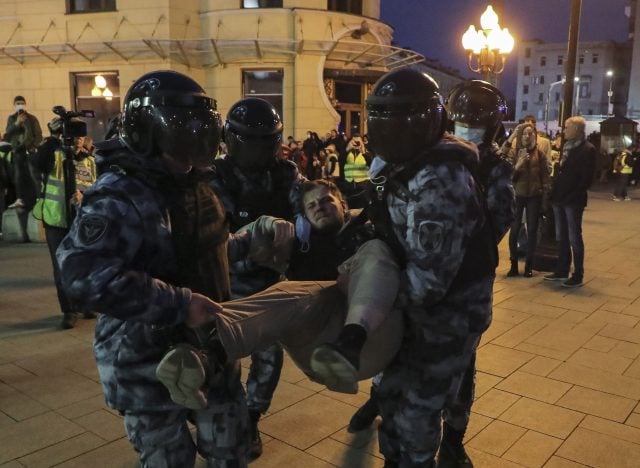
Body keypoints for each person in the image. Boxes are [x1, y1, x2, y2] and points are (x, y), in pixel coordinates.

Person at [57, 70, 252, 467]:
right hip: (144, 363)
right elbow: (81, 274)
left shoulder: (197, 183)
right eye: (181, 136)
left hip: (210, 351)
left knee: (231, 451)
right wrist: (178, 304)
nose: (191, 148)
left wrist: (251, 246)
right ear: (148, 132)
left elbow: (201, 253)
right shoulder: (118, 194)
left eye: (200, 135)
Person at [363, 66, 497, 467]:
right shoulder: (399, 166)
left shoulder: (440, 178)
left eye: (398, 118)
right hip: (408, 310)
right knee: (390, 394)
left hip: (447, 316)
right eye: (381, 116)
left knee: (419, 407)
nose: (389, 129)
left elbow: (427, 284)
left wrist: (361, 298)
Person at [209, 97, 306, 458]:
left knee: (269, 360)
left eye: (272, 140)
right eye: (258, 141)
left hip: (269, 286)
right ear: (232, 140)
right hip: (224, 287)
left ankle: (251, 417)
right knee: (221, 358)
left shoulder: (285, 173)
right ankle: (218, 418)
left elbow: (305, 208)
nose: (268, 149)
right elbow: (215, 239)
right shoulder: (215, 176)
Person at [32, 118, 97, 329]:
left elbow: (99, 190)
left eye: (80, 137)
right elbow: (37, 163)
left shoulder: (90, 161)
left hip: (82, 221)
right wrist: (51, 139)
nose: (77, 141)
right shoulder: (55, 156)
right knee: (61, 268)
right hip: (56, 220)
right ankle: (69, 310)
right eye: (72, 136)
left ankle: (85, 303)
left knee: (85, 265)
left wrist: (84, 196)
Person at [544, 116, 597, 288]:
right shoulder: (567, 147)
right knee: (562, 236)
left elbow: (586, 179)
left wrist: (572, 194)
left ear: (576, 129)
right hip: (559, 197)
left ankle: (578, 274)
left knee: (574, 237)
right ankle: (562, 269)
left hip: (573, 200)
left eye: (566, 127)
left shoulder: (587, 149)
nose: (564, 130)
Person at [506, 123, 550, 277]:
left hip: (534, 196)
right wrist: (518, 165)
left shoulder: (540, 155)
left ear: (534, 135)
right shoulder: (514, 153)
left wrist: (544, 199)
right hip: (517, 196)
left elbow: (545, 178)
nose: (527, 136)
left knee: (532, 231)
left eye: (530, 133)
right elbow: (508, 177)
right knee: (515, 229)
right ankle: (513, 264)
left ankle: (529, 267)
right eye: (524, 133)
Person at [4, 95, 42, 241]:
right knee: (18, 174)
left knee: (34, 176)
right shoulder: (11, 118)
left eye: (22, 103)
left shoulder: (32, 119)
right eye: (17, 103)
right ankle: (20, 197)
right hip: (17, 153)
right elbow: (7, 135)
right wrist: (17, 124)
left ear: (26, 104)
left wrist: (32, 147)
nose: (20, 105)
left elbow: (38, 135)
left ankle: (38, 197)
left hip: (29, 152)